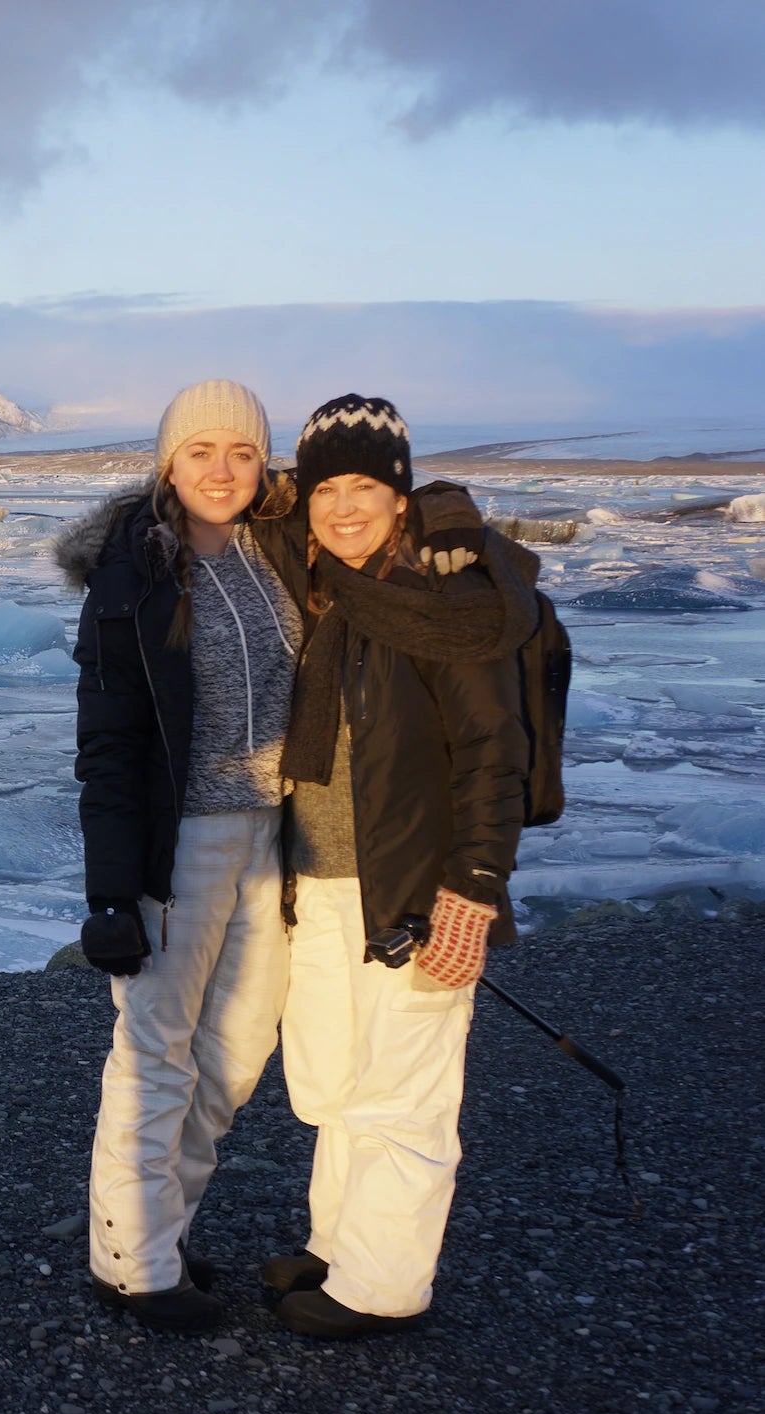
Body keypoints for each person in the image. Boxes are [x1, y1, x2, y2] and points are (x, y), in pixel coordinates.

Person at [266, 394, 536, 1338]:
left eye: (368, 487)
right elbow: (223, 500)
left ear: (399, 496)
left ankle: (385, 1287)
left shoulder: (449, 599)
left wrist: (475, 887)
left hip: (417, 888)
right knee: (339, 1079)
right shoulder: (324, 588)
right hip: (326, 880)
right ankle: (342, 1245)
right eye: (326, 487)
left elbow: (495, 752)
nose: (344, 507)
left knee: (407, 1089)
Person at [57, 380, 307, 1334]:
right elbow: (109, 744)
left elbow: (383, 514)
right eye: (200, 451)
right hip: (182, 844)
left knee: (238, 1052)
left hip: (271, 836)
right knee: (155, 1052)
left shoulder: (279, 553)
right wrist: (113, 892)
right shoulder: (134, 578)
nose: (221, 470)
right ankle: (131, 1262)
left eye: (241, 453)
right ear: (169, 463)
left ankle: (163, 1226)